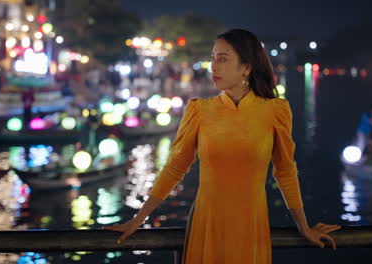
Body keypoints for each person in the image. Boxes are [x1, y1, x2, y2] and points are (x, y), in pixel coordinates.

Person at [103, 29, 341, 263]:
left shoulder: (275, 111)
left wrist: (304, 226)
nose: (213, 66)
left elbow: (286, 172)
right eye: (213, 58)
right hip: (206, 227)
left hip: (251, 227)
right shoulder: (200, 110)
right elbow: (175, 167)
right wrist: (138, 219)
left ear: (246, 67)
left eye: (223, 59)